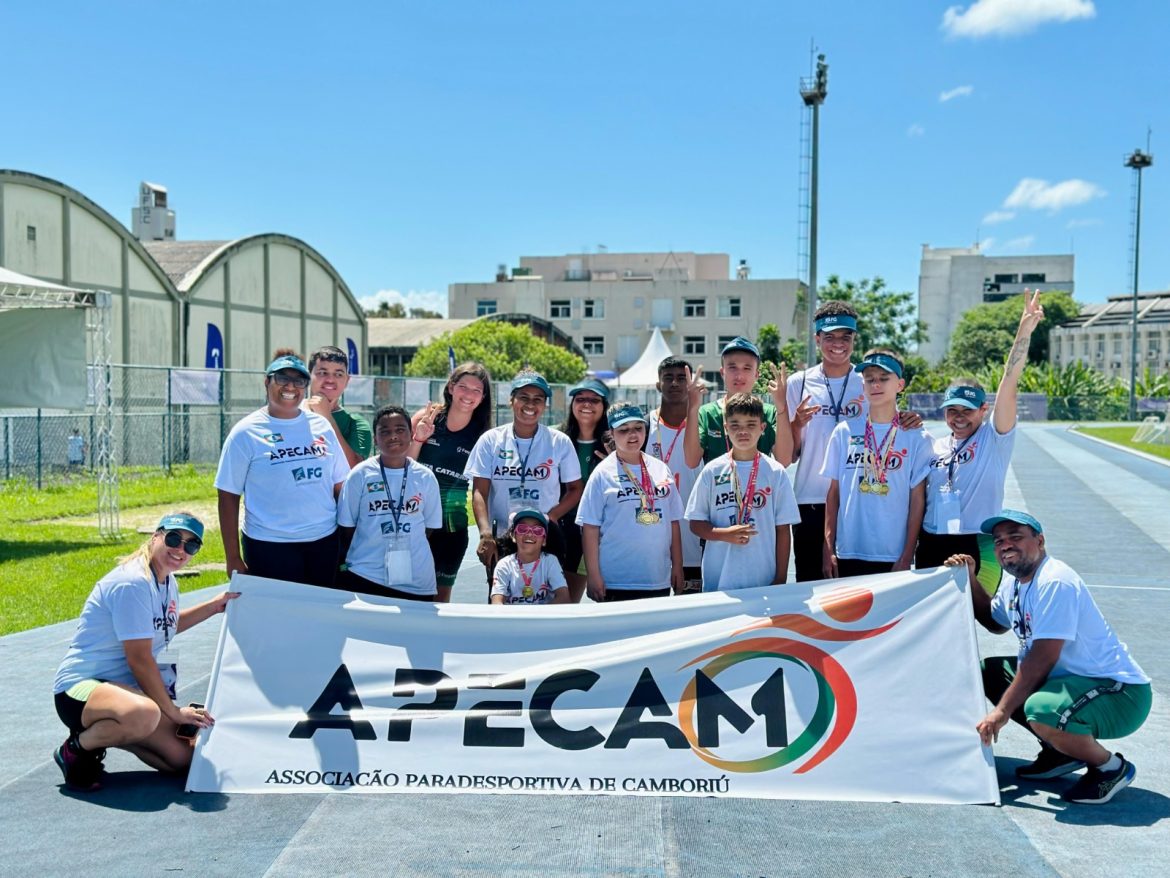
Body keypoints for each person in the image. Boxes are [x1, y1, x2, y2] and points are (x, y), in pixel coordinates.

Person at [945, 511, 1152, 805]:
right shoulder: (1015, 583)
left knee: (1042, 710)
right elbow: (994, 621)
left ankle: (1111, 768)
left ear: (1039, 541)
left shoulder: (1055, 581)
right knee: (991, 672)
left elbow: (1043, 658)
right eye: (999, 541)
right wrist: (970, 578)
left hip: (1119, 693)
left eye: (1015, 537)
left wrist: (1001, 712)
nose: (1005, 545)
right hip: (1072, 683)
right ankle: (1060, 751)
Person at [51, 513, 238, 791]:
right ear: (155, 537)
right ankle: (76, 749)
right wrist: (172, 712)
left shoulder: (166, 581)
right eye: (173, 539)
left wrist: (212, 607)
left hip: (125, 694)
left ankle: (116, 730)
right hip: (80, 689)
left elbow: (165, 627)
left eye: (191, 545)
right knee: (145, 714)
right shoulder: (133, 583)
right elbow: (139, 659)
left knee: (183, 759)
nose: (180, 549)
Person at [917, 290, 1044, 593]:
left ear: (983, 410)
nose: (959, 417)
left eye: (967, 411)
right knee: (930, 616)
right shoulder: (933, 446)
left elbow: (1009, 383)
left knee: (978, 613)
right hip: (932, 540)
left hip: (977, 542)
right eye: (952, 411)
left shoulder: (993, 439)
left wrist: (1023, 332)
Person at [786, 301, 923, 582]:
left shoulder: (868, 378)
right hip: (811, 499)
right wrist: (796, 425)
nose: (838, 344)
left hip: (858, 500)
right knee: (810, 588)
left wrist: (910, 418)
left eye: (845, 337)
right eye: (829, 337)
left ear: (854, 339)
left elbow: (889, 423)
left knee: (853, 589)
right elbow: (790, 455)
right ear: (817, 339)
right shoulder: (798, 383)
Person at [215, 350, 348, 587]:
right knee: (276, 609)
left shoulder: (321, 426)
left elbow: (340, 485)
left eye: (299, 380)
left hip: (323, 541)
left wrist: (349, 539)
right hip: (269, 544)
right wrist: (232, 557)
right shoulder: (245, 433)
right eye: (282, 378)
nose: (290, 386)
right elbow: (227, 496)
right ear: (267, 382)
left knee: (318, 607)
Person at [465, 370, 582, 592]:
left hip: (543, 537)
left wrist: (551, 517)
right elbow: (480, 491)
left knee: (546, 599)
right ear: (512, 400)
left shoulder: (559, 442)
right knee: (501, 599)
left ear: (545, 405)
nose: (530, 404)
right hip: (502, 537)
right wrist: (485, 533)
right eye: (524, 397)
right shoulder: (491, 440)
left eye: (538, 399)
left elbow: (575, 489)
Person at [821, 349, 933, 578]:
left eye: (884, 378)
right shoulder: (844, 432)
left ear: (900, 385)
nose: (876, 384)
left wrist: (907, 555)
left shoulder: (917, 437)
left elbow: (917, 501)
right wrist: (828, 547)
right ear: (862, 385)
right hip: (848, 550)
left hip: (892, 555)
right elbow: (834, 493)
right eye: (870, 379)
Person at [685, 393, 800, 591]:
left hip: (763, 581)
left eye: (751, 424)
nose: (743, 431)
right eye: (735, 425)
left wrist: (780, 578)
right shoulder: (712, 471)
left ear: (762, 428)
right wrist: (723, 534)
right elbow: (695, 523)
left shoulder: (775, 472)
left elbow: (783, 529)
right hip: (719, 582)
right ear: (726, 428)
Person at [578, 403, 684, 601]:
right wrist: (593, 574)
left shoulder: (661, 468)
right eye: (623, 430)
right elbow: (590, 527)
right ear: (612, 433)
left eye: (638, 428)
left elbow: (674, 521)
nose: (633, 435)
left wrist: (677, 565)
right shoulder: (602, 473)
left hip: (657, 578)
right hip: (616, 580)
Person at [408, 362, 494, 602]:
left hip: (451, 527)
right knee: (406, 596)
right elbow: (403, 468)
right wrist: (418, 439)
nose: (468, 395)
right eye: (463, 387)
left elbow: (485, 487)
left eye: (476, 390)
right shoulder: (427, 418)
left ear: (483, 397)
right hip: (414, 521)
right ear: (451, 387)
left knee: (439, 600)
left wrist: (487, 531)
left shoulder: (484, 435)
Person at [337, 406, 442, 600]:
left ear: (411, 434)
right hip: (366, 575)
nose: (393, 436)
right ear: (375, 439)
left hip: (416, 580)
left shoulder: (425, 477)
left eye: (400, 430)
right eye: (385, 431)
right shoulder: (360, 475)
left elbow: (429, 527)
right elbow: (347, 526)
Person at [684, 336, 793, 468]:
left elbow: (784, 461)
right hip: (718, 481)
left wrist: (782, 407)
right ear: (722, 372)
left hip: (760, 481)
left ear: (756, 374)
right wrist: (692, 408)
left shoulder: (770, 413)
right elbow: (691, 461)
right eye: (732, 367)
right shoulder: (707, 413)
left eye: (747, 368)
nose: (739, 376)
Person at [648, 357, 703, 591]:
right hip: (651, 544)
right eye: (668, 378)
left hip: (693, 544)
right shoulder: (643, 426)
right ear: (658, 385)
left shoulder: (703, 424)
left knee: (692, 609)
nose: (675, 383)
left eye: (682, 378)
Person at [555, 377, 611, 602]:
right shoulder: (557, 438)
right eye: (580, 399)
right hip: (556, 525)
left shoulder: (613, 444)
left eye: (594, 400)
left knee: (570, 599)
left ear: (604, 406)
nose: (586, 404)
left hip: (592, 529)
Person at [305, 345, 372, 468]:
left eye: (338, 374)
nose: (330, 380)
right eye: (322, 373)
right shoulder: (290, 414)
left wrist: (327, 417)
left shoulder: (355, 424)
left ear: (347, 380)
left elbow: (355, 468)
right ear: (308, 376)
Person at [490, 509, 570, 605]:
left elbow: (564, 598)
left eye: (537, 531)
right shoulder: (504, 565)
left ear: (544, 540)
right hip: (513, 615)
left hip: (544, 615)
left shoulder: (550, 562)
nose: (529, 534)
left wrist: (537, 614)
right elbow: (497, 602)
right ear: (513, 536)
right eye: (522, 529)